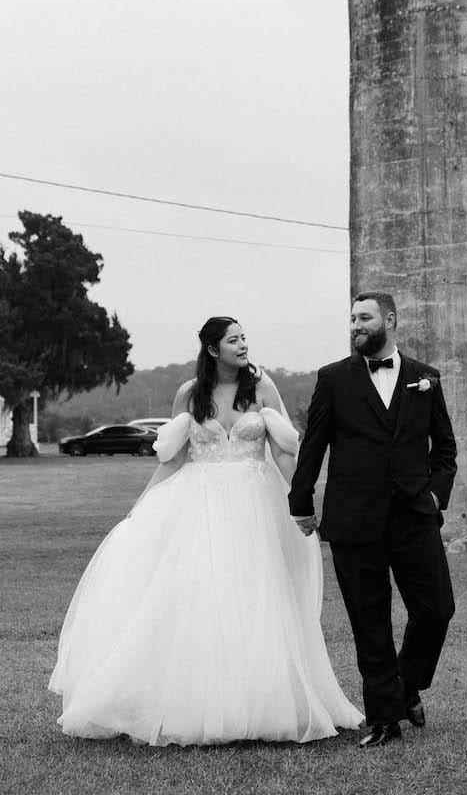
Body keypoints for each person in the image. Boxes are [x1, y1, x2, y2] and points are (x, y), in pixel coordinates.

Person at [49, 316, 363, 746]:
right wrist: (141, 506)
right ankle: (195, 704)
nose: (243, 345)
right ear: (213, 349)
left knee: (258, 597)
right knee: (201, 596)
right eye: (234, 340)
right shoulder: (189, 394)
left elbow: (284, 453)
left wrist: (299, 502)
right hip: (199, 506)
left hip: (257, 504)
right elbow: (173, 460)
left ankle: (263, 701)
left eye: (244, 337)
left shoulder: (263, 389)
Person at [289, 292, 457, 749]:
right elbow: (315, 444)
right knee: (370, 622)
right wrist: (300, 501)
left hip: (414, 517)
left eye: (364, 318)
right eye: (351, 319)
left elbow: (444, 449)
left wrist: (437, 497)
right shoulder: (333, 378)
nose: (355, 326)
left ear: (390, 320)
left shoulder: (426, 378)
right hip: (354, 519)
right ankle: (383, 718)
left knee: (437, 609)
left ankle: (404, 687)